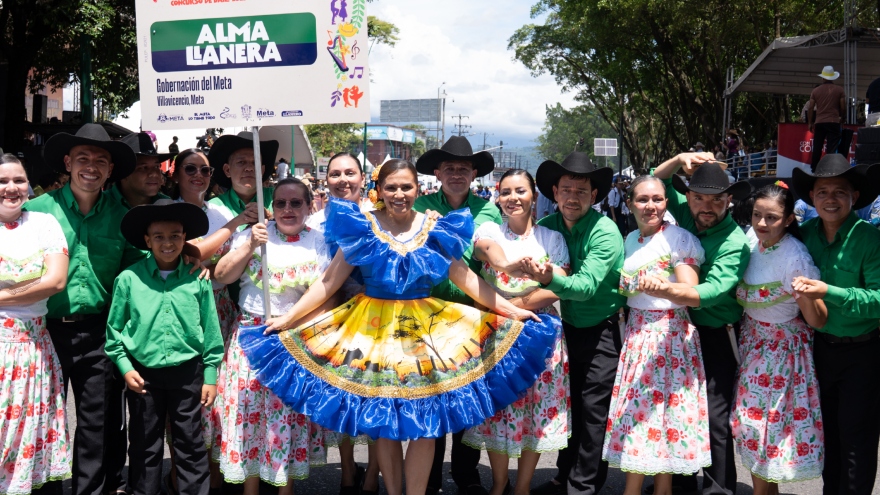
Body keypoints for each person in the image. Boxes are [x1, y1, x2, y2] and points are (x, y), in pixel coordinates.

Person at [236, 160, 556, 495]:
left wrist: (508, 310)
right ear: (379, 190)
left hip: (426, 333)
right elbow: (330, 282)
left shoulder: (435, 227)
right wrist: (288, 320)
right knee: (383, 424)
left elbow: (467, 279)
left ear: (418, 189)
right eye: (391, 187)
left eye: (406, 187)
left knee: (426, 424)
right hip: (370, 330)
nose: (399, 194)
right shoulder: (363, 226)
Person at [24, 123, 144, 495]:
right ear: (67, 162)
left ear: (110, 170)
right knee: (42, 416)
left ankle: (88, 490)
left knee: (97, 423)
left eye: (101, 160)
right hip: (45, 331)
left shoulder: (123, 215)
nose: (91, 166)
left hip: (99, 332)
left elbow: (136, 268)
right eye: (83, 158)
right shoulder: (36, 211)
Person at [213, 179, 330, 494]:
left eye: (296, 203)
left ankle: (285, 489)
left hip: (293, 339)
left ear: (309, 206)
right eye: (281, 203)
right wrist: (250, 244)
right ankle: (250, 489)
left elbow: (326, 296)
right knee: (249, 415)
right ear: (272, 207)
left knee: (286, 417)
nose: (288, 210)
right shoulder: (252, 235)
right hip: (250, 336)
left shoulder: (318, 242)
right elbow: (221, 276)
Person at [462, 169, 571, 495]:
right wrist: (508, 269)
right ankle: (499, 484)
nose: (513, 198)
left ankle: (522, 486)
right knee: (498, 410)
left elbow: (558, 286)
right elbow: (486, 251)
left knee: (537, 412)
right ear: (498, 197)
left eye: (520, 191)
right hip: (496, 333)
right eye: (506, 192)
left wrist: (517, 305)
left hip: (541, 334)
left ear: (534, 196)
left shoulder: (552, 238)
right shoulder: (490, 228)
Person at [524, 152, 626, 495]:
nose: (572, 196)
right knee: (569, 405)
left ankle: (582, 485)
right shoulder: (545, 229)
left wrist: (549, 277)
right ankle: (564, 475)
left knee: (593, 409)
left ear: (595, 196)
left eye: (581, 191)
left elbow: (584, 288)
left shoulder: (606, 231)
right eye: (566, 189)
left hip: (602, 328)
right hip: (561, 331)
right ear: (555, 192)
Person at [105, 202, 224, 495]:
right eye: (158, 236)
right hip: (143, 375)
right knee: (145, 443)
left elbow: (210, 328)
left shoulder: (198, 278)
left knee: (190, 442)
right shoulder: (129, 279)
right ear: (147, 241)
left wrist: (210, 374)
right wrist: (125, 367)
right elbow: (113, 332)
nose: (167, 242)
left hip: (188, 372)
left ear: (185, 239)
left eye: (175, 235)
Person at [650, 155, 751, 495]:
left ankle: (719, 489)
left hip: (718, 334)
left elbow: (712, 291)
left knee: (714, 416)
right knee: (679, 410)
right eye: (699, 198)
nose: (707, 206)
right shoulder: (690, 218)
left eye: (716, 199)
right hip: (682, 332)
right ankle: (679, 482)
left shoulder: (735, 241)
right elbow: (655, 182)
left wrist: (669, 291)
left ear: (729, 200)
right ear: (689, 197)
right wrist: (679, 159)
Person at [603, 175, 709, 495]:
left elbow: (690, 291)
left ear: (666, 202)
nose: (651, 206)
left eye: (658, 199)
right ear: (630, 203)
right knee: (644, 422)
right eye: (643, 199)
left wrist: (664, 288)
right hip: (637, 336)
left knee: (660, 423)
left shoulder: (679, 239)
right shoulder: (630, 238)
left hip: (669, 338)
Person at [413, 136, 503, 495]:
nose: (455, 174)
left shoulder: (489, 210)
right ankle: (429, 476)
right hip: (427, 314)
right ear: (438, 172)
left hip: (472, 313)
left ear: (473, 173)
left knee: (467, 397)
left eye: (462, 168)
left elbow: (488, 254)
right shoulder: (421, 205)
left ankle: (466, 474)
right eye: (448, 168)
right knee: (432, 396)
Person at [170, 148, 261, 494]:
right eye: (190, 169)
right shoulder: (175, 208)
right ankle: (182, 480)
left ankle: (214, 477)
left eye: (204, 170)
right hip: (180, 311)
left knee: (215, 398)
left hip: (219, 308)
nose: (198, 175)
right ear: (176, 173)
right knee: (183, 399)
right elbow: (192, 253)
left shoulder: (216, 209)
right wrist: (236, 225)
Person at [790, 155, 880, 494]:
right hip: (817, 351)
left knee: (857, 438)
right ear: (811, 198)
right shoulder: (803, 234)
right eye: (823, 191)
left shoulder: (869, 239)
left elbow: (879, 300)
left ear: (854, 198)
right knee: (827, 435)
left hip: (863, 353)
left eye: (840, 192)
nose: (830, 199)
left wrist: (830, 290)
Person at [731, 183, 827, 493]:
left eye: (771, 217)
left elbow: (817, 319)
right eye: (757, 215)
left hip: (781, 357)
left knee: (768, 435)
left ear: (788, 219)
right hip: (753, 348)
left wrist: (806, 293)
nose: (761, 223)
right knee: (753, 430)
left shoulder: (794, 257)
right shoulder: (750, 240)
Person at [303, 152, 381, 495]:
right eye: (335, 174)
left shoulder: (378, 217)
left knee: (379, 397)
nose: (343, 179)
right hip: (334, 320)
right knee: (344, 399)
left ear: (363, 178)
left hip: (379, 320)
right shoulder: (315, 223)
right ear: (326, 180)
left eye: (350, 172)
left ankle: (372, 476)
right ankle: (348, 470)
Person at [0, 154, 72, 494]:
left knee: (29, 434)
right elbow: (39, 283)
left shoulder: (44, 223)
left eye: (18, 180)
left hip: (33, 352)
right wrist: (24, 292)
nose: (11, 188)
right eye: (3, 182)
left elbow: (55, 281)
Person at [208, 131, 277, 215]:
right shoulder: (214, 208)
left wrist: (270, 218)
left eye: (255, 163)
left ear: (262, 171)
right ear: (227, 170)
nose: (249, 168)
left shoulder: (279, 198)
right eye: (241, 162)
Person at [106, 132, 174, 209]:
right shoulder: (99, 205)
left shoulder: (168, 206)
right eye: (143, 167)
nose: (154, 174)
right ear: (123, 172)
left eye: (156, 166)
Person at [807, 66, 846, 172]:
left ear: (823, 78)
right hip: (833, 121)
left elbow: (811, 107)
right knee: (832, 148)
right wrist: (842, 118)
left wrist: (810, 122)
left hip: (819, 122)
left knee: (817, 146)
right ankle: (830, 169)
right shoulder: (839, 90)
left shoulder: (815, 91)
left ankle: (814, 169)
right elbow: (843, 107)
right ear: (833, 77)